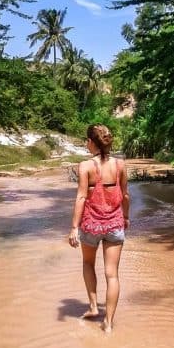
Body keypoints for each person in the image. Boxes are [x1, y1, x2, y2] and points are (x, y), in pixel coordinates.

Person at [68, 124, 130, 333]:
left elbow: (81, 197)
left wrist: (74, 227)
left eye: (87, 140)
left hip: (91, 225)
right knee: (112, 275)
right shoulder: (120, 165)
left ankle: (94, 307)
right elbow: (126, 195)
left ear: (91, 143)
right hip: (114, 224)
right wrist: (126, 217)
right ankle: (109, 323)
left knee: (87, 263)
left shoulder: (85, 166)